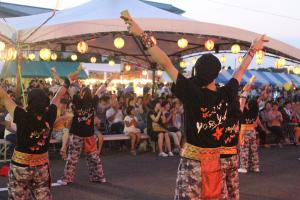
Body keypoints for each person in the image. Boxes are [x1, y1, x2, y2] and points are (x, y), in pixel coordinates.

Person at [121, 11, 267, 199]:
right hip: (216, 164)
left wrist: (140, 32)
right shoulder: (227, 93)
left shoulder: (192, 92)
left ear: (197, 71)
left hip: (192, 164)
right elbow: (241, 70)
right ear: (216, 74)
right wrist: (253, 49)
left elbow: (166, 63)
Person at [2, 76, 71, 199]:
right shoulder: (50, 114)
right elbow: (58, 96)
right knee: (43, 196)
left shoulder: (21, 115)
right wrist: (67, 83)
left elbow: (4, 97)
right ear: (45, 101)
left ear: (29, 102)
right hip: (41, 166)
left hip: (20, 166)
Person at [57, 77, 111, 185]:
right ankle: (99, 177)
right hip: (89, 135)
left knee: (73, 158)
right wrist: (107, 81)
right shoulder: (93, 101)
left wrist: (67, 82)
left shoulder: (77, 100)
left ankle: (67, 179)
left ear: (81, 94)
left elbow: (70, 90)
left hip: (77, 135)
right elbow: (100, 90)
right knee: (94, 157)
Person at [238, 99, 261, 173]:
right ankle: (255, 167)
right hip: (252, 131)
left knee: (244, 149)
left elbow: (241, 104)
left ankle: (243, 167)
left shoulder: (245, 111)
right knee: (253, 149)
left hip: (245, 131)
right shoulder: (255, 112)